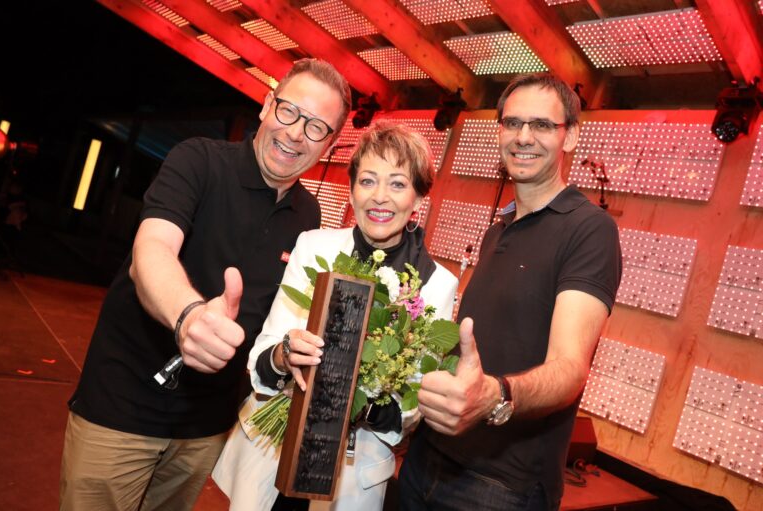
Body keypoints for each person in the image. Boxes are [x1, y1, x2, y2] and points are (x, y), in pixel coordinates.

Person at [60, 58, 352, 511]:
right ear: (266, 106)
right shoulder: (198, 160)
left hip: (206, 427)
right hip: (122, 409)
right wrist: (188, 316)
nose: (296, 133)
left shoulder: (308, 217)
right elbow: (152, 250)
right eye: (290, 111)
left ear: (331, 142)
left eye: (317, 127)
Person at [399, 73, 622, 511]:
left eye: (541, 125)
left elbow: (571, 368)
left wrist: (495, 395)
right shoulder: (499, 226)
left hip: (502, 484)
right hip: (427, 458)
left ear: (570, 136)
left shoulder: (590, 230)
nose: (524, 137)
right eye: (512, 123)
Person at [212, 121, 459, 511]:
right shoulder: (313, 249)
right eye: (367, 181)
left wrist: (360, 396)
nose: (380, 197)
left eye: (397, 183)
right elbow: (262, 358)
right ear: (352, 189)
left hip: (352, 475)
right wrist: (284, 355)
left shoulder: (435, 284)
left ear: (418, 196)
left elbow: (410, 406)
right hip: (270, 458)